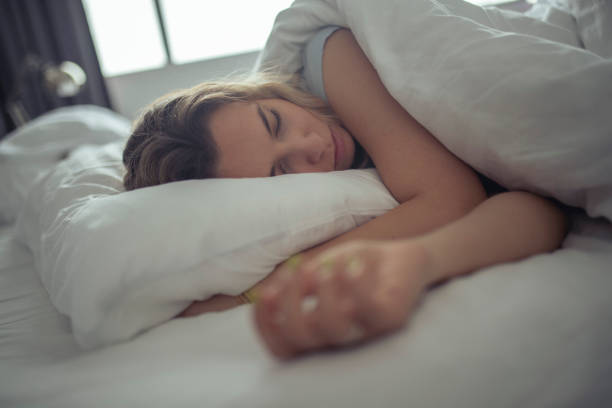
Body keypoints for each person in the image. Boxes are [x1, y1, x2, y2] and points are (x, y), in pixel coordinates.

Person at [122, 28, 567, 359]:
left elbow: (452, 199)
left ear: (259, 91)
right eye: (281, 172)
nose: (312, 146)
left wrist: (258, 292)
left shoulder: (332, 58)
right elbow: (531, 209)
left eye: (275, 122)